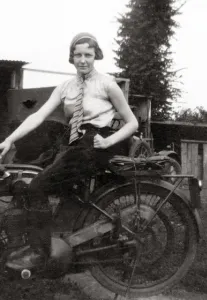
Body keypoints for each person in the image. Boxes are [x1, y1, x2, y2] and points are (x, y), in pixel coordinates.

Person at [0, 32, 139, 269]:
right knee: (25, 178)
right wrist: (9, 140)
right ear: (71, 57)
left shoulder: (107, 83)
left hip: (97, 143)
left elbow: (132, 122)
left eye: (88, 54)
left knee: (37, 187)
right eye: (78, 55)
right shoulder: (65, 87)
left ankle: (39, 253)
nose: (83, 60)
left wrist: (107, 141)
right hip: (73, 142)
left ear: (96, 56)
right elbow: (38, 115)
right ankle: (29, 237)